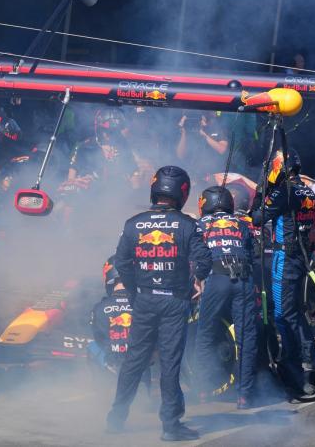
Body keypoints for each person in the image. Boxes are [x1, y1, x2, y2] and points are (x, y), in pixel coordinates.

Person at [107, 166, 211, 441]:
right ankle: (171, 425)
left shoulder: (133, 223)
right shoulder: (188, 224)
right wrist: (197, 281)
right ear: (182, 192)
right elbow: (204, 261)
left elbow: (121, 262)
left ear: (155, 189)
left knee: (134, 360)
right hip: (174, 302)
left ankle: (116, 418)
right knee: (169, 363)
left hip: (144, 299)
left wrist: (133, 290)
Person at [248, 148, 315, 396]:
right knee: (296, 312)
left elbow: (256, 218)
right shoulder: (308, 190)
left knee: (282, 314)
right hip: (302, 256)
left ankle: (292, 365)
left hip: (285, 257)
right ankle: (312, 355)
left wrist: (260, 191)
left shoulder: (283, 192)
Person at [194, 186, 258, 409]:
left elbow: (196, 256)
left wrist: (197, 279)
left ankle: (203, 389)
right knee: (246, 338)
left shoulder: (199, 224)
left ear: (204, 204)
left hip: (216, 278)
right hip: (243, 278)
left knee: (204, 333)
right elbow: (250, 254)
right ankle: (244, 396)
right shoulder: (241, 223)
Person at [88, 257, 150, 394]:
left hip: (114, 363)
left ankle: (101, 391)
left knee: (91, 346)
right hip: (139, 362)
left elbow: (98, 337)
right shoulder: (145, 304)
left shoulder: (99, 308)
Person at [176, 111, 229, 182]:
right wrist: (183, 133)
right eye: (200, 119)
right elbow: (180, 155)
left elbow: (222, 149)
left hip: (213, 177)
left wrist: (205, 136)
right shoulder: (190, 132)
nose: (201, 122)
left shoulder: (217, 130)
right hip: (194, 177)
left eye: (203, 119)